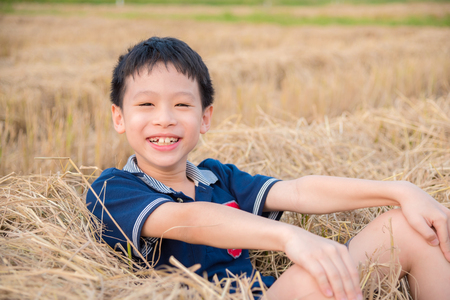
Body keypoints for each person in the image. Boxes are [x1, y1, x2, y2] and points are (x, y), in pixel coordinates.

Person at [86, 36, 450, 300]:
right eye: (146, 104)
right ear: (119, 117)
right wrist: (291, 238)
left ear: (205, 117)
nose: (164, 119)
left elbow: (299, 191)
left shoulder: (217, 177)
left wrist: (401, 190)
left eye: (181, 105)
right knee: (318, 273)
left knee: (412, 227)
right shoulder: (113, 189)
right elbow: (190, 220)